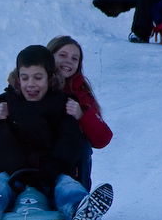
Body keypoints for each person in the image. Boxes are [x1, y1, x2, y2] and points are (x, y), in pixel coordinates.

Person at [0, 45, 114, 220]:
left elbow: (71, 139)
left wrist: (54, 167)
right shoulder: (7, 103)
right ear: (17, 79)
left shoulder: (64, 104)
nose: (31, 84)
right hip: (15, 176)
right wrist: (18, 170)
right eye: (25, 77)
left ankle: (80, 210)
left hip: (52, 174)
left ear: (51, 78)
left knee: (67, 186)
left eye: (38, 77)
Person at [46, 35, 113, 190]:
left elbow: (102, 138)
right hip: (33, 152)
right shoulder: (34, 82)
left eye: (74, 59)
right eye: (62, 55)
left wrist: (82, 116)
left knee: (81, 143)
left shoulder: (80, 92)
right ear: (49, 56)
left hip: (66, 159)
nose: (69, 61)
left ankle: (79, 198)